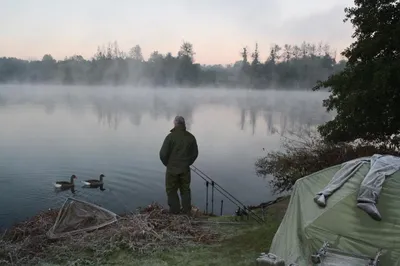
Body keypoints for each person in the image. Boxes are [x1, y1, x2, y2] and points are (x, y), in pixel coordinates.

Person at [159, 116, 198, 214]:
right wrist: (187, 163)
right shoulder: (191, 137)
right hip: (185, 169)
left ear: (175, 123)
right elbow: (195, 154)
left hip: (172, 170)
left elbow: (163, 154)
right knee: (185, 190)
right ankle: (186, 211)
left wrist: (168, 164)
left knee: (171, 190)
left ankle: (175, 212)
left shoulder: (170, 137)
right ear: (184, 124)